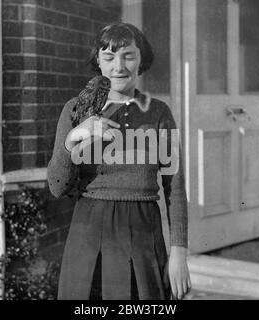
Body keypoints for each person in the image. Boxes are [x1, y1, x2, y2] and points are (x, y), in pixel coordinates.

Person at [47, 22, 191, 300]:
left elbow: (176, 189)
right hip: (88, 233)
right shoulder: (75, 110)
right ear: (98, 62)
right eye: (109, 57)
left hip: (143, 235)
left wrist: (179, 254)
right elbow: (56, 187)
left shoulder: (160, 113)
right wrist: (72, 139)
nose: (119, 66)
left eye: (128, 55)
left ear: (141, 61)